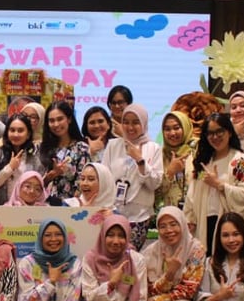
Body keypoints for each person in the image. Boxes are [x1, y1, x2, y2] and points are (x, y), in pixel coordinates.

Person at [185, 112, 244, 254]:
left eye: (219, 131)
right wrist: (189, 217)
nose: (215, 137)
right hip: (203, 222)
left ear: (229, 132)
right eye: (210, 133)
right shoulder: (205, 162)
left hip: (228, 226)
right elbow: (193, 192)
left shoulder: (240, 161)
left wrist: (219, 185)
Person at [102, 104, 163, 250]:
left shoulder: (153, 148)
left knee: (130, 256)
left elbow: (155, 183)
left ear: (143, 123)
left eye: (135, 122)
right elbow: (104, 179)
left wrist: (140, 161)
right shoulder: (113, 145)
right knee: (112, 254)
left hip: (140, 216)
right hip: (113, 213)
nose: (130, 127)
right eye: (126, 122)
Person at [39, 101, 90, 202]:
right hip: (43, 206)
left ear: (69, 119)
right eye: (51, 121)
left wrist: (73, 205)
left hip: (71, 206)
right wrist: (51, 175)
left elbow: (83, 182)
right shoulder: (43, 147)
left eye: (60, 119)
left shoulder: (81, 148)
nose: (56, 124)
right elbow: (35, 183)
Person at [0, 114, 45, 204]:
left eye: (20, 131)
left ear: (28, 134)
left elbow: (38, 189)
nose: (16, 134)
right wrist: (9, 169)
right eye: (12, 130)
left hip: (26, 209)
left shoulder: (35, 158)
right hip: (1, 208)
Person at [154, 110, 195, 214]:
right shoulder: (159, 155)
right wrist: (170, 173)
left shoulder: (197, 151)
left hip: (195, 214)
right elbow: (155, 194)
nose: (172, 133)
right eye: (167, 129)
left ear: (185, 127)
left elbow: (204, 179)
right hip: (169, 216)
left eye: (176, 128)